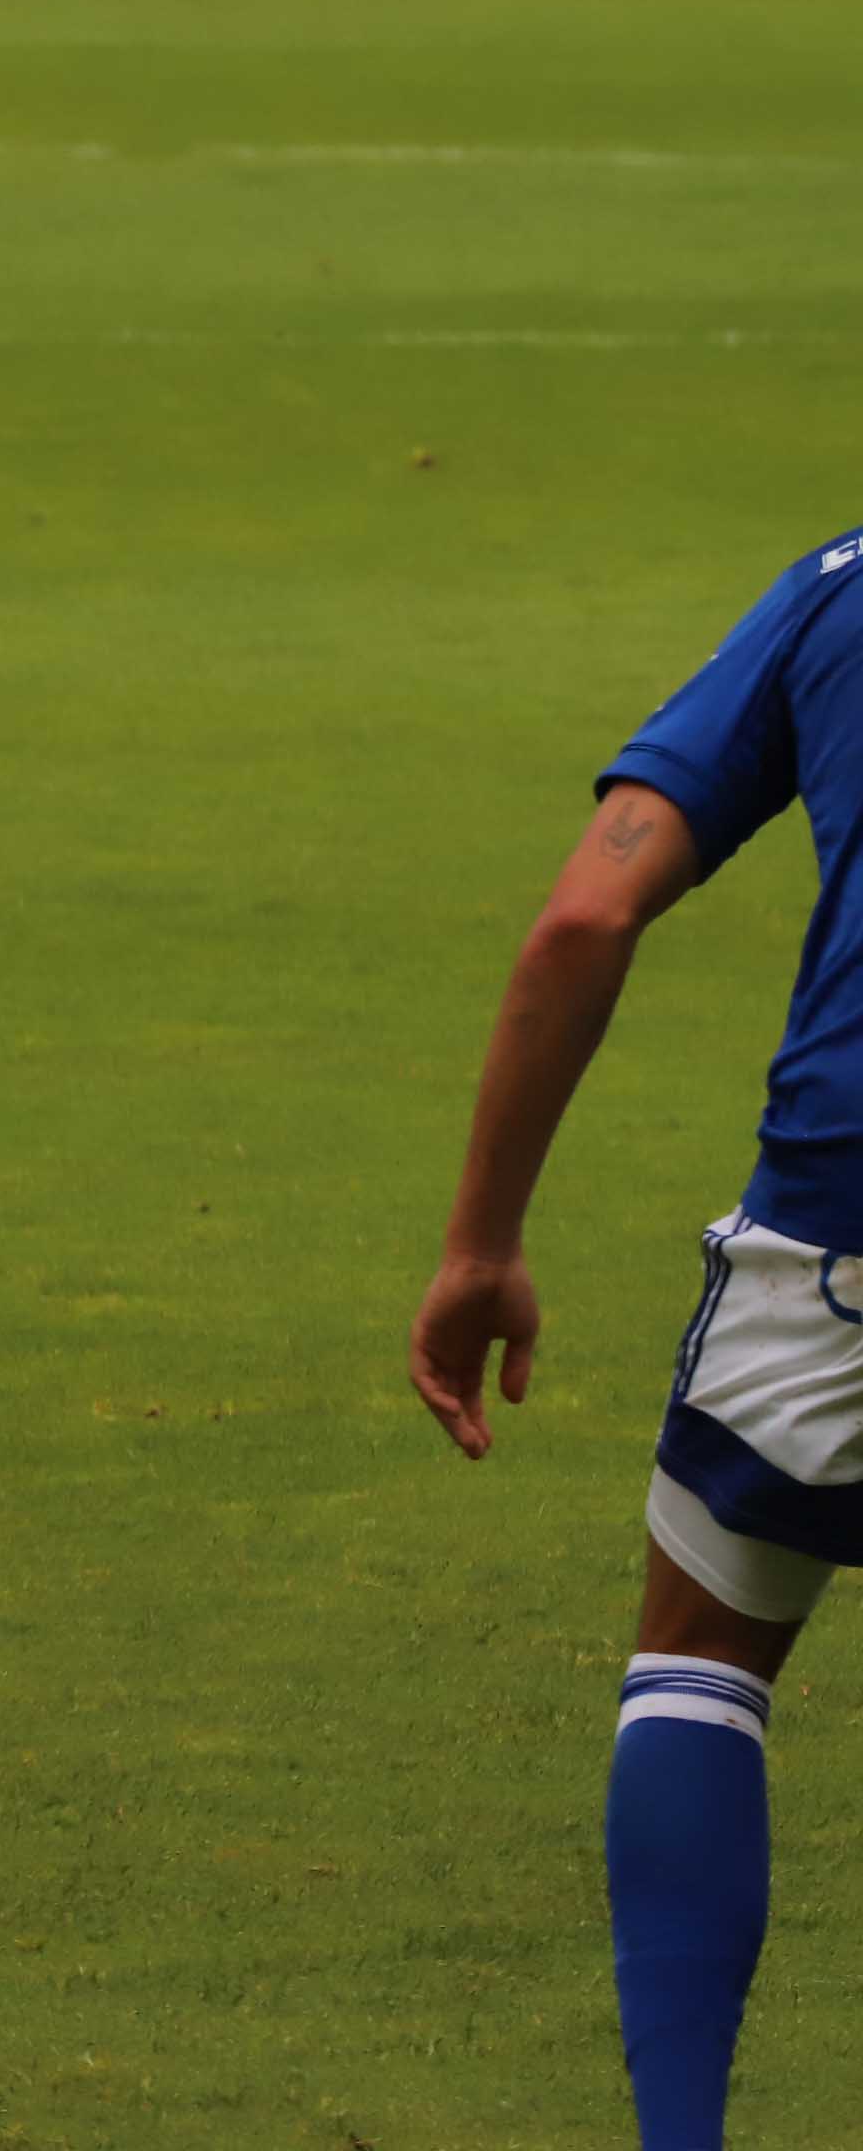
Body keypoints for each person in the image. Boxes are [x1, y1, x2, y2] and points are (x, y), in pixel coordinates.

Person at [410, 524, 863, 2149]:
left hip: (844, 1224)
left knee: (706, 1645)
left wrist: (480, 1242)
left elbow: (584, 919)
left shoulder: (847, 584)